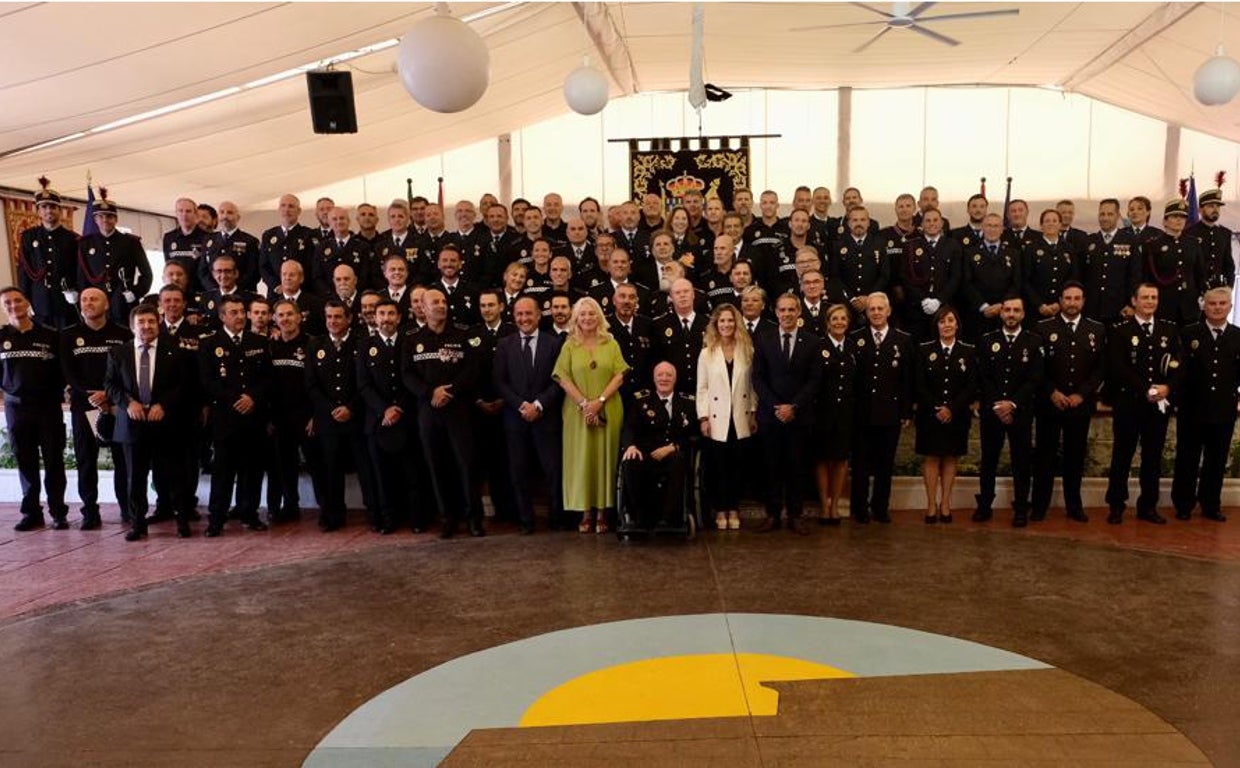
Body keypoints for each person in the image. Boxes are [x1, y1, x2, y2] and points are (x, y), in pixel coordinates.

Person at [402, 287, 483, 538]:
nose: (440, 305)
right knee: (436, 465)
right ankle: (447, 517)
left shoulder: (463, 334)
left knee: (466, 463)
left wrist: (449, 391)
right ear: (422, 308)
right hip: (428, 411)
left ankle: (474, 518)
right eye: (434, 302)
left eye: (443, 301)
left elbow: (473, 368)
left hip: (458, 409)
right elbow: (407, 374)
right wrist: (430, 393)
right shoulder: (412, 339)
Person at [105, 304, 191, 540]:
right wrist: (127, 403)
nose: (146, 326)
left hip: (165, 423)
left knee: (175, 475)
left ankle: (182, 522)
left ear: (159, 323)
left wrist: (163, 405)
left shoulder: (175, 350)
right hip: (132, 424)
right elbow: (111, 385)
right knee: (136, 478)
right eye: (141, 322)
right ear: (132, 326)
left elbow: (183, 385)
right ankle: (137, 524)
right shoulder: (118, 353)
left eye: (151, 322)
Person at [552, 297, 629, 534]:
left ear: (599, 317)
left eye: (591, 313)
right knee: (582, 459)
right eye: (582, 314)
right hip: (577, 412)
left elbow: (620, 375)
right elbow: (561, 377)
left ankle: (603, 512)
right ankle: (585, 512)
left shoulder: (611, 343)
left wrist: (600, 402)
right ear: (576, 318)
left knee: (605, 458)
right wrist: (586, 405)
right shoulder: (569, 345)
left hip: (608, 408)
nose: (587, 318)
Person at [1105, 283, 1181, 525]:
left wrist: (1167, 387)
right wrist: (1145, 389)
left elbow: (1178, 365)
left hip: (1158, 405)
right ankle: (1116, 505)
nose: (1150, 301)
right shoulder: (1120, 331)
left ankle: (1148, 506)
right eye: (1145, 297)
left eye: (1154, 297)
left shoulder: (1169, 330)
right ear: (1134, 300)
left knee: (1153, 458)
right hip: (1129, 403)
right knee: (1122, 456)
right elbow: (1118, 367)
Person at [1032, 282, 1106, 523]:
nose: (1072, 303)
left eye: (1076, 298)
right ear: (1060, 300)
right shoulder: (1043, 328)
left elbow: (1100, 369)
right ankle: (1039, 506)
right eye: (1067, 298)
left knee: (1075, 458)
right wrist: (1051, 391)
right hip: (1049, 404)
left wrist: (1082, 394)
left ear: (1083, 301)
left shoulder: (1096, 329)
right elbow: (1035, 367)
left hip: (1079, 405)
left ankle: (1074, 506)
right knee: (1045, 457)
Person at [60, 288, 132, 529]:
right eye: (84, 299)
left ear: (107, 304)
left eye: (94, 299)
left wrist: (109, 395)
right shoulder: (69, 335)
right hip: (85, 406)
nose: (88, 303)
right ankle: (90, 511)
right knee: (86, 461)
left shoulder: (123, 334)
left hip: (117, 405)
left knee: (123, 460)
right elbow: (68, 372)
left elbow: (127, 371)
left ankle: (127, 508)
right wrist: (91, 396)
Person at [198, 295, 270, 536]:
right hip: (225, 419)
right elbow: (208, 381)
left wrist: (253, 398)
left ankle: (250, 514)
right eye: (234, 312)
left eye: (242, 311)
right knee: (223, 472)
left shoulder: (258, 342)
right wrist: (234, 399)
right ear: (222, 316)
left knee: (252, 470)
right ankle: (216, 519)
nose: (240, 316)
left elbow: (267, 378)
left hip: (253, 417)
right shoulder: (209, 344)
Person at [752, 293, 822, 533]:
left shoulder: (812, 342)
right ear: (776, 312)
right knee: (771, 467)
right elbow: (758, 378)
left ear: (799, 312)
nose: (787, 314)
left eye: (792, 309)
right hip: (770, 416)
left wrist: (794, 406)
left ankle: (796, 515)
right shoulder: (763, 339)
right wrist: (776, 407)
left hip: (799, 416)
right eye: (782, 310)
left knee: (797, 467)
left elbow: (814, 380)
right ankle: (772, 515)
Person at [494, 296, 565, 533]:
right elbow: (500, 382)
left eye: (528, 314)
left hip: (547, 419)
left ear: (538, 315)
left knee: (553, 471)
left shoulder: (554, 344)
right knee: (519, 472)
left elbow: (559, 381)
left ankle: (557, 519)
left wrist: (539, 404)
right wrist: (522, 405)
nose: (524, 318)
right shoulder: (505, 345)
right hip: (516, 419)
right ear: (514, 317)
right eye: (519, 314)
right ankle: (526, 520)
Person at [0, 287, 69, 531]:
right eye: (7, 303)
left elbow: (63, 372)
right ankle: (32, 513)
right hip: (16, 409)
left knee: (53, 461)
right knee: (25, 461)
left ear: (26, 302)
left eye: (17, 300)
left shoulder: (51, 335)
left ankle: (58, 512)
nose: (13, 306)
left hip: (47, 408)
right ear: (3, 307)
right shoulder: (1, 337)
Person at [1171, 287, 1238, 522]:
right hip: (1192, 409)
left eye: (1222, 303)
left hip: (1223, 410)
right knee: (1187, 458)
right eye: (1212, 304)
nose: (1217, 307)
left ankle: (1211, 505)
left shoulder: (1238, 336)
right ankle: (1183, 504)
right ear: (1204, 306)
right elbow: (1179, 372)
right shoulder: (1189, 334)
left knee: (1216, 460)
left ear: (1230, 306)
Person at [976, 297, 1043, 527]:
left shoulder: (1033, 342)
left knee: (1022, 462)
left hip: (1020, 412)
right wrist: (998, 404)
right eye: (1007, 310)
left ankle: (1021, 508)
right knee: (988, 461)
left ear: (1023, 314)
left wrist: (1012, 404)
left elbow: (1034, 379)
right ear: (1001, 313)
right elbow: (983, 377)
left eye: (1016, 310)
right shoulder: (987, 341)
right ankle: (984, 505)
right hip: (992, 412)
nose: (1011, 314)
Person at [307, 300, 371, 532]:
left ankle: (374, 512)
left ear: (349, 319)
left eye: (337, 317)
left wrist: (350, 408)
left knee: (365, 469)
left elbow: (365, 382)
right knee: (331, 471)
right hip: (329, 420)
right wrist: (330, 409)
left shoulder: (361, 343)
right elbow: (312, 385)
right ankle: (333, 515)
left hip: (356, 418)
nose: (333, 321)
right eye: (329, 317)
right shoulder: (316, 345)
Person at [848, 292, 912, 524]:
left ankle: (881, 507)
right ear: (866, 313)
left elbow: (906, 379)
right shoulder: (855, 338)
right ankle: (860, 508)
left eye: (879, 308)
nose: (875, 312)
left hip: (889, 412)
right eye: (871, 309)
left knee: (885, 463)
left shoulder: (903, 340)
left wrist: (905, 411)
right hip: (861, 412)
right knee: (861, 463)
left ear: (888, 311)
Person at [696, 303, 757, 531]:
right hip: (716, 418)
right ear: (715, 324)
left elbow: (752, 385)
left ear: (736, 323)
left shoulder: (747, 349)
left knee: (737, 466)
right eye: (722, 321)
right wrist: (703, 418)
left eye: (730, 320)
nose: (726, 325)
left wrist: (752, 412)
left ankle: (734, 508)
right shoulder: (707, 352)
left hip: (740, 416)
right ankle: (721, 508)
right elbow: (701, 388)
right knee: (718, 466)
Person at [913, 305, 976, 524]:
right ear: (936, 325)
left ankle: (946, 503)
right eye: (942, 321)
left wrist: (952, 408)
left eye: (950, 320)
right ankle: (931, 504)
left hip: (957, 415)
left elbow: (971, 386)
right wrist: (937, 408)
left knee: (950, 457)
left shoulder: (968, 351)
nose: (946, 325)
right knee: (931, 458)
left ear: (957, 324)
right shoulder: (924, 350)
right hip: (930, 415)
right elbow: (919, 385)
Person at [621, 362, 697, 531]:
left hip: (673, 454)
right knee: (630, 461)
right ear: (654, 378)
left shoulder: (688, 402)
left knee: (678, 461)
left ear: (675, 379)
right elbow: (629, 427)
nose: (664, 378)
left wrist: (673, 447)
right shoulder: (641, 400)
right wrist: (630, 446)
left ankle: (669, 519)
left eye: (669, 375)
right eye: (660, 375)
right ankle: (637, 517)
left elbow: (694, 435)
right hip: (646, 453)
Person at [266, 299, 314, 524]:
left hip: (307, 418)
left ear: (299, 317)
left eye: (289, 314)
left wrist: (316, 415)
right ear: (274, 319)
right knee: (285, 467)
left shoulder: (312, 345)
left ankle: (329, 508)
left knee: (317, 465)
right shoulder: (271, 346)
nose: (285, 319)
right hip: (280, 419)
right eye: (280, 315)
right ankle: (290, 506)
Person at [813, 304, 856, 526]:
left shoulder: (853, 347)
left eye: (843, 319)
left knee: (840, 460)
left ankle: (836, 505)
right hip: (822, 412)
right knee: (822, 460)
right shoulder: (818, 346)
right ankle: (824, 504)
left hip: (846, 413)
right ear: (827, 323)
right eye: (834, 319)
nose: (839, 322)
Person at [18, 177, 77, 329]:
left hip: (66, 302)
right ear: (38, 211)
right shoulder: (29, 236)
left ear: (59, 210)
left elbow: (78, 270)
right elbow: (24, 270)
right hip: (39, 301)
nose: (48, 210)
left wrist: (77, 293)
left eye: (52, 207)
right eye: (44, 207)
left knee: (65, 343)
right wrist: (24, 299)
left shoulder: (72, 238)